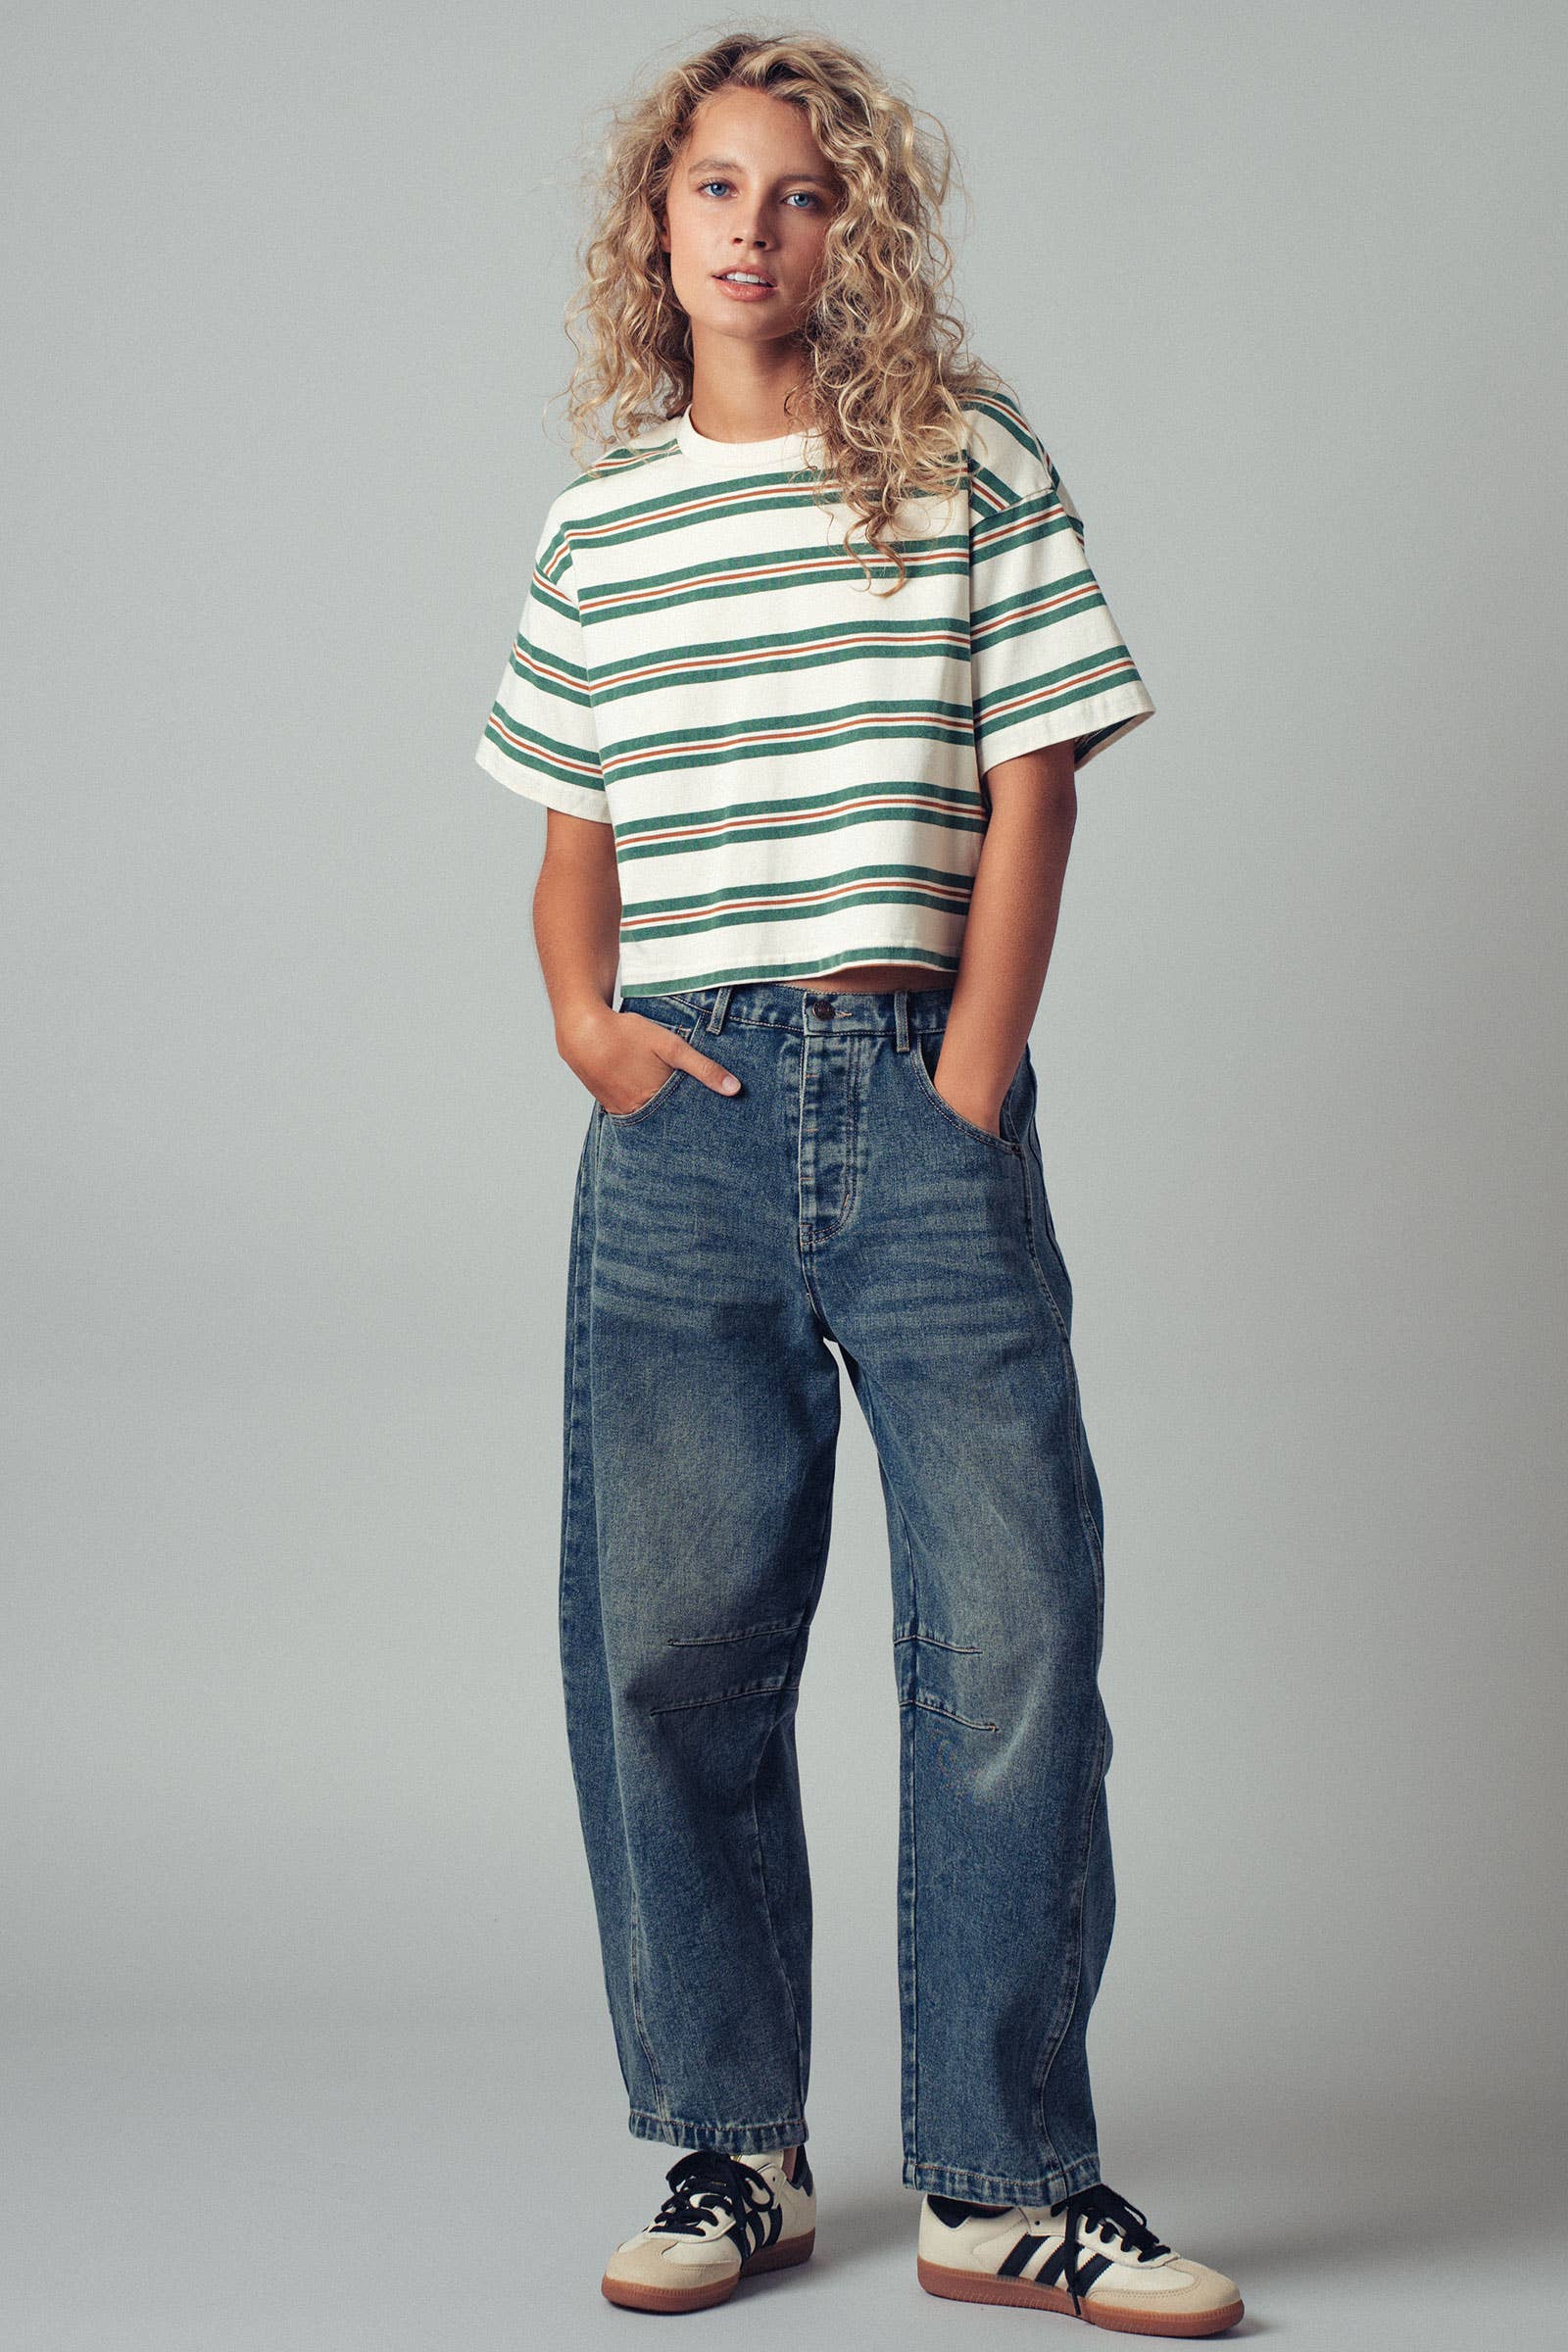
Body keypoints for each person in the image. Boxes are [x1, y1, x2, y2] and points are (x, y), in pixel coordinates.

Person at [474, 29, 1244, 2337]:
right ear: (655, 225)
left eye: (801, 192)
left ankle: (1003, 2182)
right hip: (682, 1116)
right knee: (672, 1650)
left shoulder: (958, 460)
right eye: (713, 186)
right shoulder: (600, 525)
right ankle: (732, 2149)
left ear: (855, 233)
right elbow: (570, 831)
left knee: (1010, 1637)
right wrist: (585, 1027)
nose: (753, 226)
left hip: (911, 1085)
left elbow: (1037, 776)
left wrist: (971, 1073)